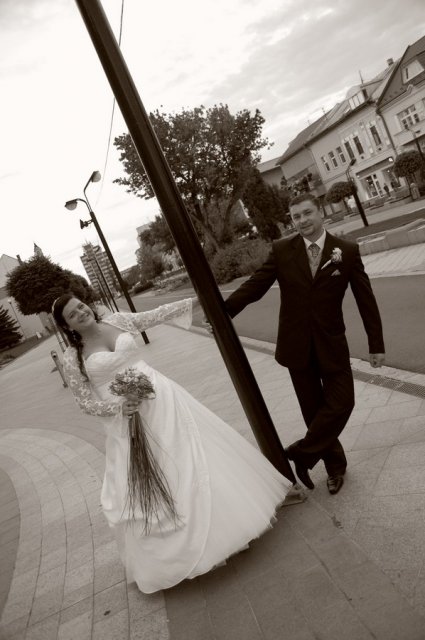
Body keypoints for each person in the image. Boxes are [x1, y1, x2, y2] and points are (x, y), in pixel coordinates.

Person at [52, 293, 292, 594]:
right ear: (67, 325)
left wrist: (197, 299)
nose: (81, 312)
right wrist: (118, 407)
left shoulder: (119, 320)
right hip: (127, 418)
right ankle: (184, 546)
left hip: (162, 400)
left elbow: (157, 314)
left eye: (80, 306)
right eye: (72, 314)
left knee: (193, 456)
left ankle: (228, 523)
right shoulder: (72, 357)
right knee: (162, 470)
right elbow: (85, 403)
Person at [223, 193, 385, 495]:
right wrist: (223, 312)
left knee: (343, 402)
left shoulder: (346, 251)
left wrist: (376, 344)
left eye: (307, 213)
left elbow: (366, 300)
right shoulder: (282, 250)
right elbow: (256, 285)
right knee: (313, 412)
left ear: (320, 212)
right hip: (296, 346)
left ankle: (302, 453)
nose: (302, 220)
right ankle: (335, 467)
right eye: (296, 216)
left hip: (332, 343)